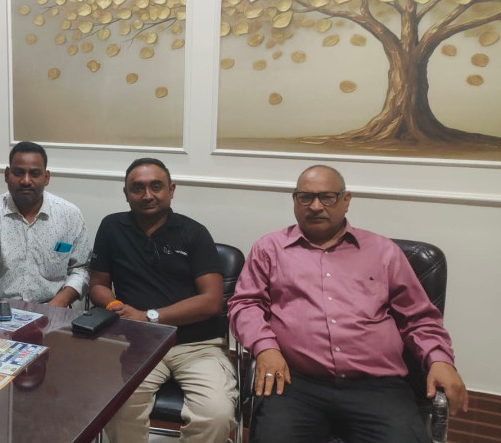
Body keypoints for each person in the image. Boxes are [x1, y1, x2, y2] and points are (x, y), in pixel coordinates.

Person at [228, 165, 469, 443]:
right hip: (295, 382)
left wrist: (440, 360)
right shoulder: (269, 249)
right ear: (294, 200)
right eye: (305, 197)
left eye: (327, 197)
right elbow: (245, 304)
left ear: (346, 200)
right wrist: (265, 347)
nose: (315, 206)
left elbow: (419, 317)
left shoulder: (383, 252)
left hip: (377, 386)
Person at [88, 158, 237, 443]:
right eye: (137, 188)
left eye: (156, 186)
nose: (147, 195)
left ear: (171, 190)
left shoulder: (194, 232)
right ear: (126, 194)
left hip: (197, 346)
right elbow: (97, 285)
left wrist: (149, 316)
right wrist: (115, 306)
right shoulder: (111, 227)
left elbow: (211, 302)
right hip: (137, 343)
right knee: (117, 408)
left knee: (216, 415)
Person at [0, 141, 90, 310]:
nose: (26, 181)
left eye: (34, 174)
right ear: (7, 175)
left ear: (46, 177)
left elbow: (81, 269)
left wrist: (60, 302)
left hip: (52, 310)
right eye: (18, 173)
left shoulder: (69, 215)